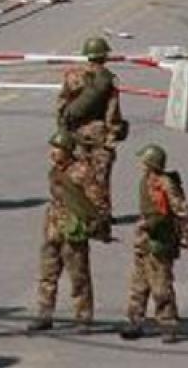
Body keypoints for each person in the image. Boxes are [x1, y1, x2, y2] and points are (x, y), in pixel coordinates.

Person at [121, 143, 188, 344]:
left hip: (160, 241)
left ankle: (168, 324)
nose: (141, 165)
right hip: (144, 240)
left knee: (161, 287)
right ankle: (135, 321)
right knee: (138, 285)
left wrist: (187, 238)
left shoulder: (165, 184)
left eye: (143, 161)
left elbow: (183, 212)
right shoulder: (146, 181)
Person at [55, 36, 126, 241]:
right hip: (99, 134)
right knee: (101, 177)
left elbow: (61, 105)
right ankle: (101, 219)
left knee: (78, 173)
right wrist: (113, 133)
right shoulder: (107, 79)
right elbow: (112, 112)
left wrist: (63, 131)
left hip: (76, 134)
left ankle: (80, 211)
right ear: (104, 56)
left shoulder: (73, 76)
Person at [28, 132, 97, 333]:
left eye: (56, 149)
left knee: (78, 276)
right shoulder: (55, 170)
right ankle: (44, 314)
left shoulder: (82, 172)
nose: (52, 153)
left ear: (67, 150)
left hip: (73, 229)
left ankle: (83, 317)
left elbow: (94, 201)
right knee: (47, 274)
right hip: (53, 228)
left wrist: (92, 225)